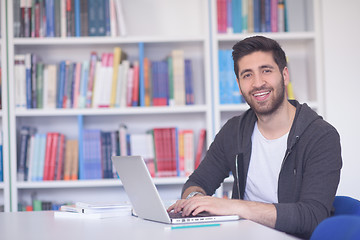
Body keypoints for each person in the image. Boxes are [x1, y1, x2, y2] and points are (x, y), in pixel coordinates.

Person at [167, 36, 342, 239]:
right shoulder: (234, 130)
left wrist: (233, 207)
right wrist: (195, 200)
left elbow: (312, 217)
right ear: (239, 85)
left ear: (284, 75)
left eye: (266, 71)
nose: (258, 83)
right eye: (247, 75)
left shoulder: (321, 136)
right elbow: (197, 181)